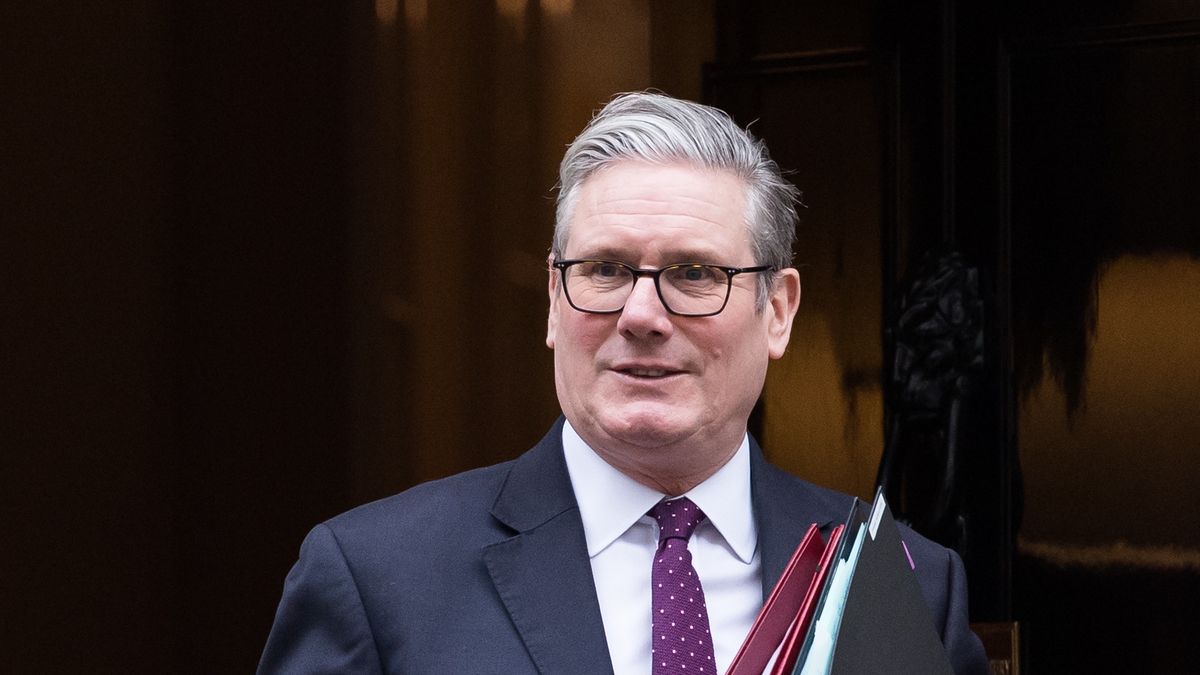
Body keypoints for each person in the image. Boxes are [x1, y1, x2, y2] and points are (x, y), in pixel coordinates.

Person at [258, 92, 989, 674]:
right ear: (553, 298)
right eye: (604, 270)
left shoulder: (906, 584)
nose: (641, 314)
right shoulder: (379, 579)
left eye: (695, 273)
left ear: (778, 309)